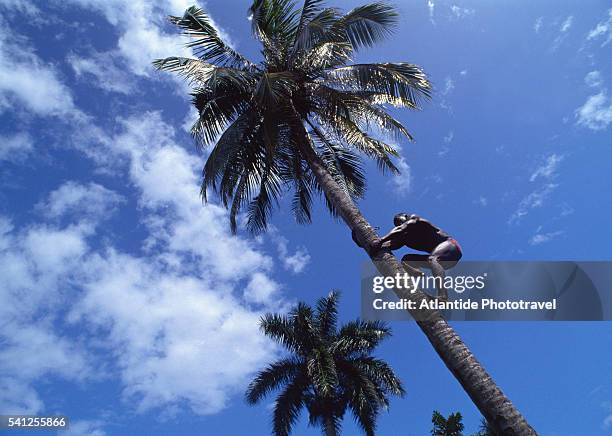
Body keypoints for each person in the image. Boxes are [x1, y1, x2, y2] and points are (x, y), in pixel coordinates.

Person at [372, 213, 462, 301]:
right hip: (442, 259)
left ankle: (443, 296)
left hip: (451, 247)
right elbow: (390, 245)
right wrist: (372, 244)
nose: (399, 224)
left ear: (405, 216)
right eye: (396, 224)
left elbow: (400, 229)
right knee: (406, 260)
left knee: (432, 259)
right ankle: (418, 274)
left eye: (399, 221)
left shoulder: (415, 219)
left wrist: (380, 240)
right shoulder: (404, 237)